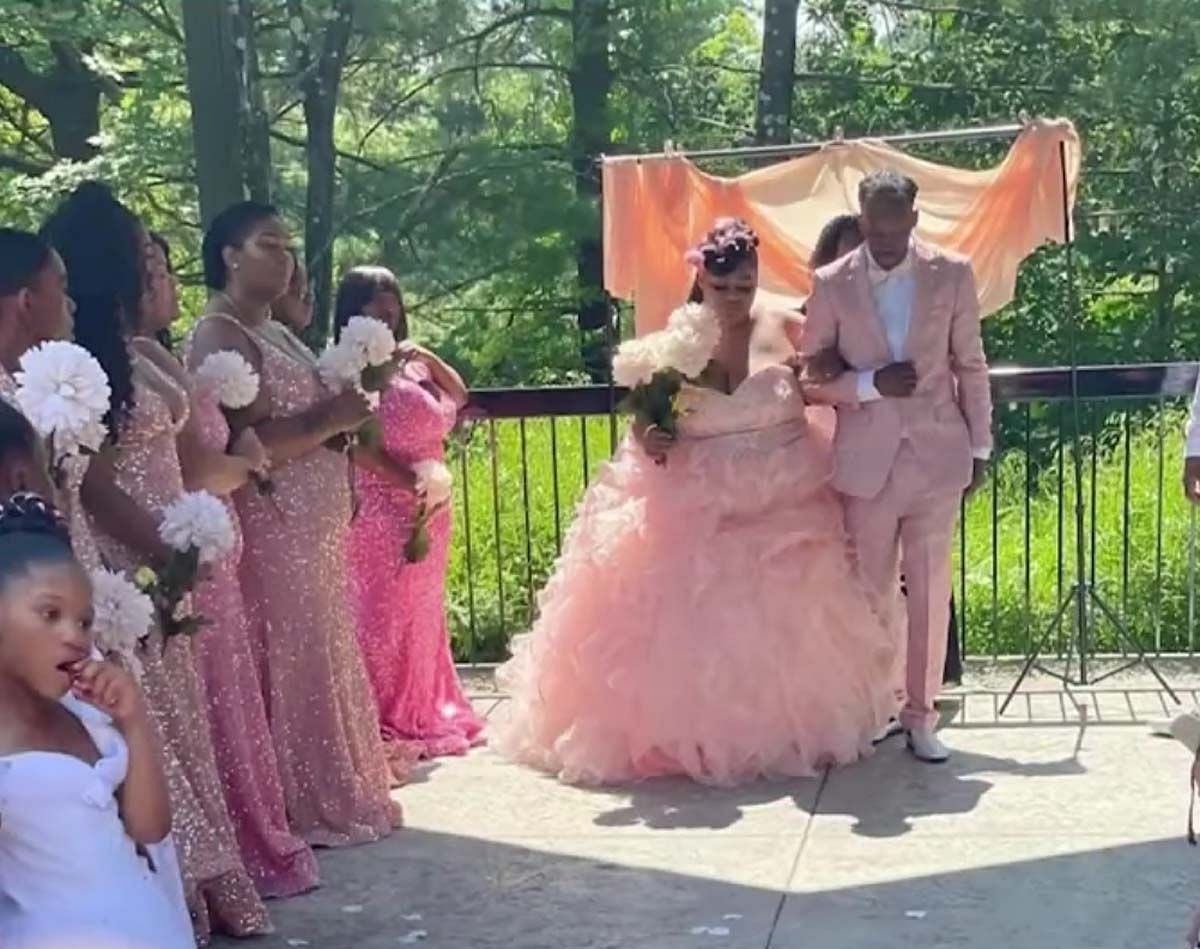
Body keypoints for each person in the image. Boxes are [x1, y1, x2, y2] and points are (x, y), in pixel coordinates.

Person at [493, 219, 897, 786]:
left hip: (788, 496)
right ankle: (680, 734)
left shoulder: (793, 327)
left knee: (793, 615)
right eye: (722, 287)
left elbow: (841, 380)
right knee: (680, 614)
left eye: (746, 286)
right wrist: (649, 437)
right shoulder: (674, 344)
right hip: (695, 496)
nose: (734, 298)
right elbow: (643, 420)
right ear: (701, 281)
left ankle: (789, 728)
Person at [42, 182, 271, 940]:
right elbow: (96, 481)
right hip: (120, 560)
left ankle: (202, 892)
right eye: (139, 247)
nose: (152, 258)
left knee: (183, 720)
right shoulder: (75, 366)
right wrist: (157, 550)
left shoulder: (134, 347)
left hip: (166, 552)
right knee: (153, 728)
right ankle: (176, 894)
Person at [189, 201, 401, 847]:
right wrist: (328, 421)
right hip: (273, 524)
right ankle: (295, 797)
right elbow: (244, 442)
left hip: (316, 525)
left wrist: (340, 436)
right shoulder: (221, 333)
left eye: (286, 245)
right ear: (229, 253)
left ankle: (334, 781)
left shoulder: (277, 328)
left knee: (323, 648)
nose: (285, 258)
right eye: (268, 244)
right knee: (289, 653)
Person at [140, 236, 321, 898]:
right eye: (150, 268)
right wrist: (246, 464)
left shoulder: (160, 357)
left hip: (214, 547)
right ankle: (203, 861)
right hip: (170, 556)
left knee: (225, 706)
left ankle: (241, 833)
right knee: (196, 713)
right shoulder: (198, 342)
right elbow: (191, 465)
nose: (163, 280)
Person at [800, 171, 993, 764]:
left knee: (931, 590)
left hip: (938, 455)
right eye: (873, 228)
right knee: (871, 592)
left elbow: (972, 366)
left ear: (913, 217)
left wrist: (981, 447)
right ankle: (876, 707)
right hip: (867, 462)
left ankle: (922, 715)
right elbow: (811, 376)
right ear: (861, 222)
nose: (884, 239)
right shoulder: (831, 283)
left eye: (895, 226)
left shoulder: (953, 273)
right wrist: (868, 384)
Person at [0, 490, 193, 949]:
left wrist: (133, 719)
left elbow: (150, 829)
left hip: (151, 928)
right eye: (50, 614)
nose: (75, 637)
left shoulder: (84, 714)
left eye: (85, 622)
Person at [806, 213, 964, 690]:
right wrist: (867, 384)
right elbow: (808, 381)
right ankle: (855, 690)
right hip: (833, 454)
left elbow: (956, 367)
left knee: (921, 582)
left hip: (915, 455)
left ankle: (916, 694)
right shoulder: (814, 315)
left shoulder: (918, 296)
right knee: (850, 579)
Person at [338, 266, 484, 765]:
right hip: (381, 504)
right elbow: (354, 442)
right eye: (374, 303)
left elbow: (459, 396)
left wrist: (425, 355)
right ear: (352, 310)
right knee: (381, 610)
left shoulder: (410, 366)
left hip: (429, 506)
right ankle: (376, 711)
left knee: (421, 610)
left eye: (392, 301)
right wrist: (407, 482)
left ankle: (422, 702)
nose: (386, 311)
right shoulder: (352, 365)